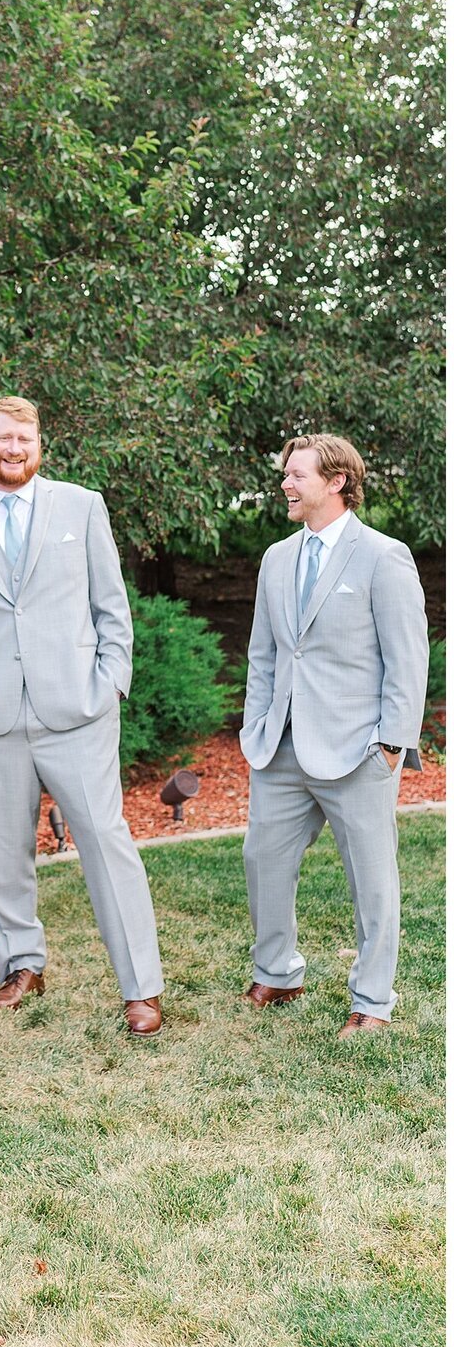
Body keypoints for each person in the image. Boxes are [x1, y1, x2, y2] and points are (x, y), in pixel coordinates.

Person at [0, 395, 165, 1036]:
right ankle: (21, 965)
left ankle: (140, 985)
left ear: (39, 446)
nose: (15, 450)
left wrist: (111, 681)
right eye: (4, 439)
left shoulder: (81, 508)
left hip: (77, 711)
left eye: (25, 440)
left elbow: (112, 606)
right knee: (2, 852)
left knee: (108, 846)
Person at [240, 432, 428, 1037]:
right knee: (262, 860)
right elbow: (264, 656)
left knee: (371, 880)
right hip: (281, 749)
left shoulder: (382, 555)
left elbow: (408, 657)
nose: (286, 485)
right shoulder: (276, 559)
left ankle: (371, 1002)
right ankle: (278, 971)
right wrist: (257, 725)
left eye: (297, 475)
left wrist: (392, 742)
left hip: (358, 751)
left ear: (336, 482)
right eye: (286, 474)